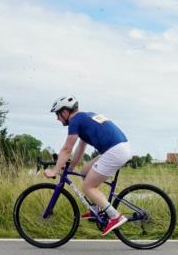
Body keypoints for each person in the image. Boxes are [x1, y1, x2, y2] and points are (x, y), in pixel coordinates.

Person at [46, 96, 132, 235]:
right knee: (85, 171)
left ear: (65, 112)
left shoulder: (75, 121)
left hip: (115, 151)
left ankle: (115, 216)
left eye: (57, 114)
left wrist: (55, 170)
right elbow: (80, 148)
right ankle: (95, 210)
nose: (57, 118)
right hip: (118, 148)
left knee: (87, 187)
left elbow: (67, 149)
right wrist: (71, 168)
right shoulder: (84, 117)